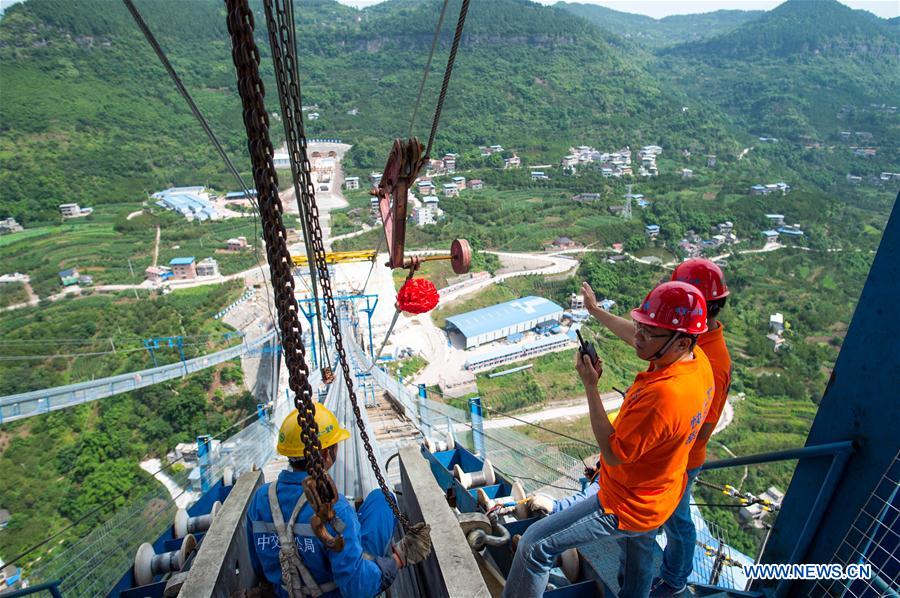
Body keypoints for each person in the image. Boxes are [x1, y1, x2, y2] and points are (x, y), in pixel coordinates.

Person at [504, 282, 714, 598]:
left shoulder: (664, 395)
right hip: (661, 492)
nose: (638, 337)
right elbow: (641, 338)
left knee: (535, 545)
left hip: (627, 502)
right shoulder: (697, 363)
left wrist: (591, 386)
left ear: (682, 342)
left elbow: (613, 454)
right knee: (635, 570)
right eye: (641, 326)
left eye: (647, 333)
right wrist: (595, 311)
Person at [581, 259, 733, 595]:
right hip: (659, 460)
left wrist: (649, 450)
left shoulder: (710, 361)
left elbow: (700, 431)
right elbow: (640, 337)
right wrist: (596, 312)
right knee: (646, 537)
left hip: (674, 464)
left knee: (670, 527)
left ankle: (674, 580)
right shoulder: (687, 345)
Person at [247, 403, 431, 597]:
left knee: (380, 499)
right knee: (384, 500)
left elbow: (259, 566)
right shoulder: (334, 509)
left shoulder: (261, 499)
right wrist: (397, 559)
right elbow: (358, 589)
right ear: (326, 454)